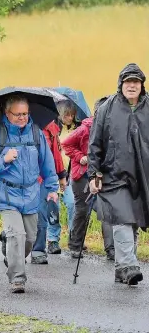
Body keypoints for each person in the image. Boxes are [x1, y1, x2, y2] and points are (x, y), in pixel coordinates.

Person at [0, 95, 58, 293]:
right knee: (17, 234)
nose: (22, 118)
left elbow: (47, 163)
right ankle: (17, 278)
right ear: (7, 113)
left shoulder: (37, 133)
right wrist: (3, 159)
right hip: (6, 192)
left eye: (25, 113)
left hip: (31, 192)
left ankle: (10, 249)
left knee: (30, 238)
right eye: (18, 114)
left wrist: (52, 188)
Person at [88, 63, 148, 286]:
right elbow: (94, 144)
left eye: (136, 82)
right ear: (121, 85)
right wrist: (94, 173)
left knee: (134, 220)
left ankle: (122, 267)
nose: (131, 85)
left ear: (142, 85)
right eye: (128, 82)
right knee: (122, 218)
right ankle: (129, 265)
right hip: (114, 175)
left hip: (142, 176)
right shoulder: (107, 109)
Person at [62, 97, 115, 260]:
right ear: (98, 113)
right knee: (83, 211)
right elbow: (66, 144)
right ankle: (75, 246)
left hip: (101, 175)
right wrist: (80, 157)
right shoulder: (85, 128)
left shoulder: (113, 128)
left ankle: (111, 250)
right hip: (82, 176)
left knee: (106, 211)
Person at [29, 120, 67, 264]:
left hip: (42, 179)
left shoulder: (50, 127)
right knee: (20, 216)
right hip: (19, 180)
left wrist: (61, 176)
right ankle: (9, 239)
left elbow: (56, 154)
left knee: (41, 214)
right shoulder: (15, 124)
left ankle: (38, 250)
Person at [46, 100, 79, 254]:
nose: (70, 118)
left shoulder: (77, 129)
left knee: (72, 204)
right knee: (54, 208)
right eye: (67, 115)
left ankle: (74, 237)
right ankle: (53, 240)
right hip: (53, 176)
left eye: (72, 115)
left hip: (70, 175)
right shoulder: (52, 129)